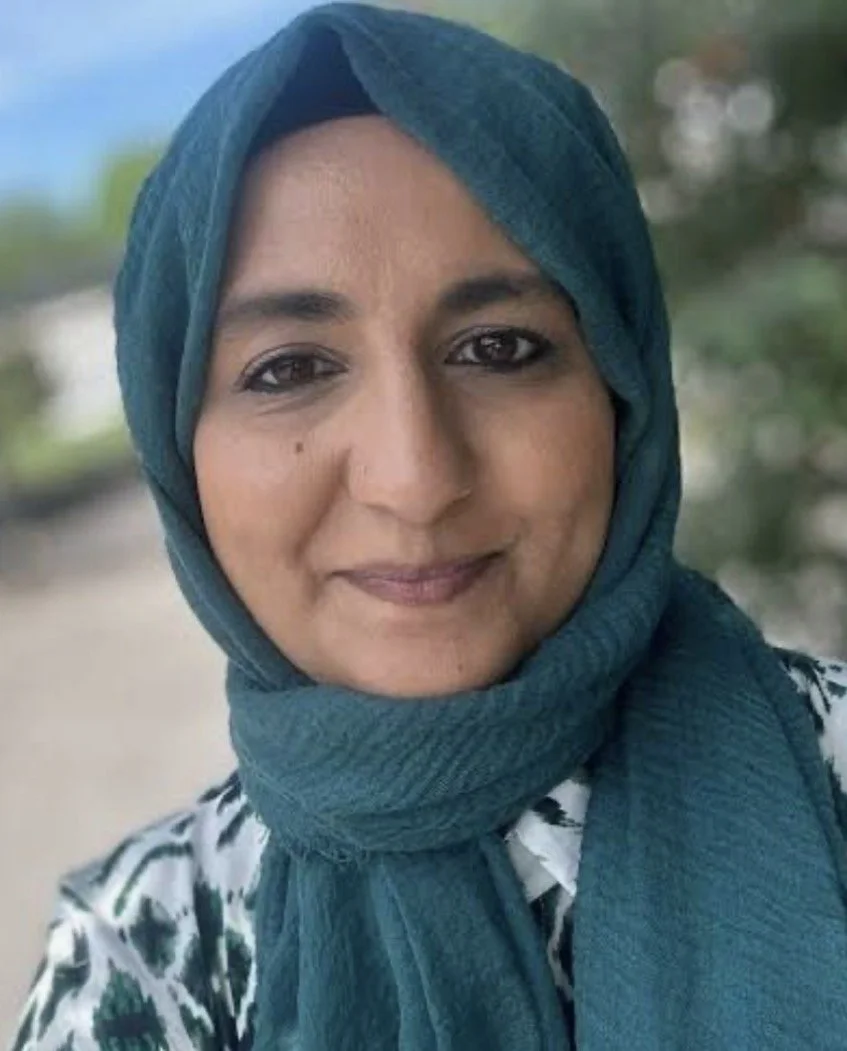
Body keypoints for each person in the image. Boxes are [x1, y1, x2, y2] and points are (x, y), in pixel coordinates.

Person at [11, 4, 847, 1050]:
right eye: (289, 368)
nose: (414, 480)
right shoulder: (135, 955)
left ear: (622, 394)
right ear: (179, 451)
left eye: (498, 348)